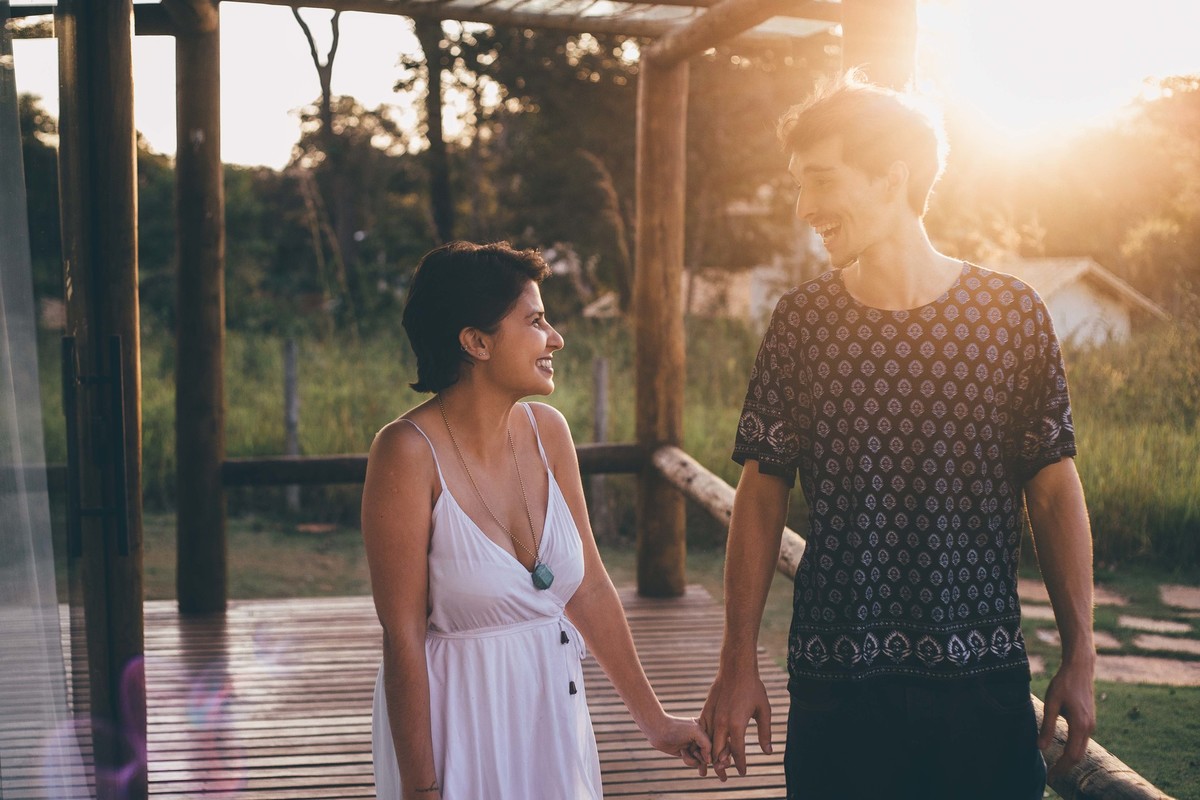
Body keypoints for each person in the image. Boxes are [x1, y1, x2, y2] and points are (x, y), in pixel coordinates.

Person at [699, 71, 1097, 799]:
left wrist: (1082, 655)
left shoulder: (1012, 316)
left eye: (821, 181)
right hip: (836, 685)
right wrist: (736, 661)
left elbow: (1053, 490)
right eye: (798, 185)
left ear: (893, 177)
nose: (805, 208)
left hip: (983, 685)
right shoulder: (802, 323)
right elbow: (761, 494)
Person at [362, 240, 710, 800]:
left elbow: (590, 589)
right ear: (476, 342)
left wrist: (655, 720)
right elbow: (401, 639)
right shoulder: (405, 452)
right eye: (536, 320)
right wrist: (422, 790)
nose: (556, 339)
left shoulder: (549, 432)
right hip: (460, 724)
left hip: (552, 711)